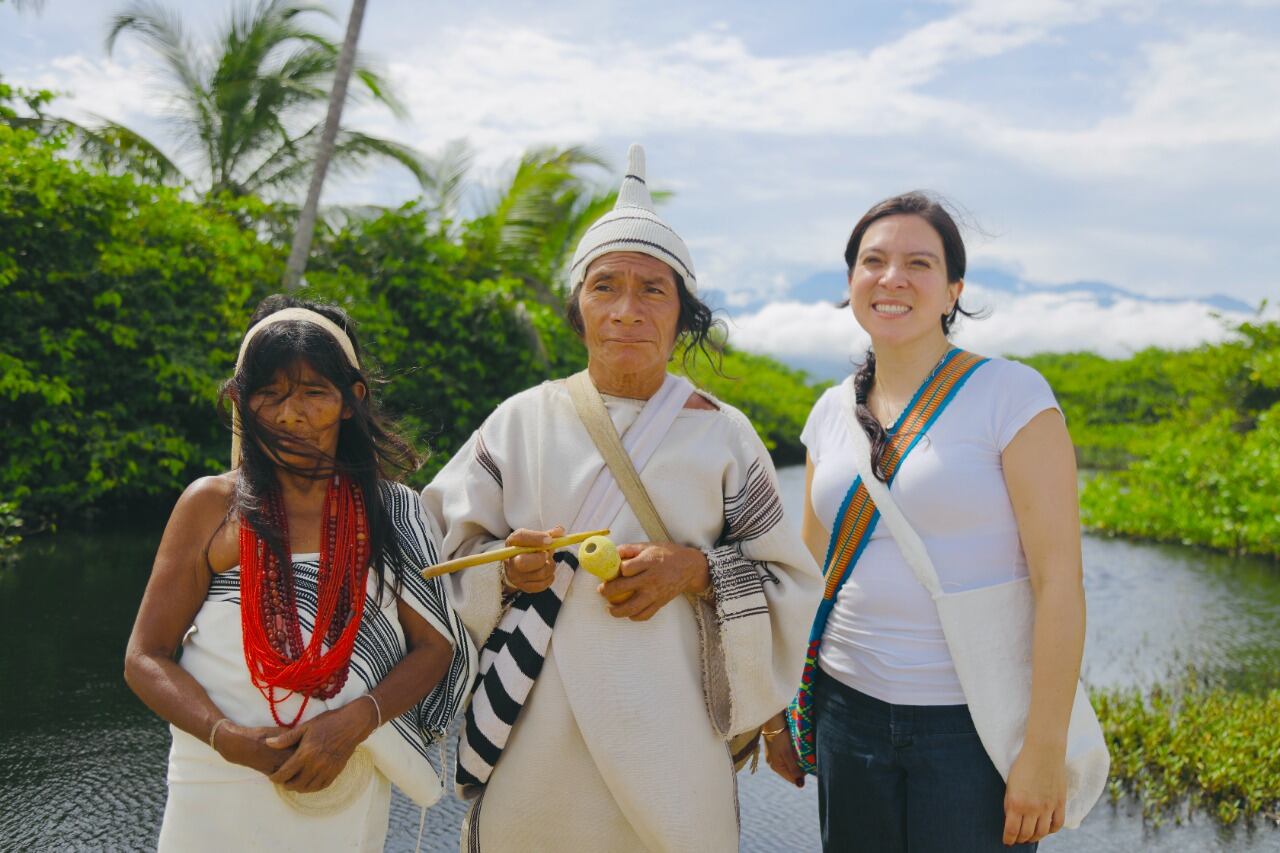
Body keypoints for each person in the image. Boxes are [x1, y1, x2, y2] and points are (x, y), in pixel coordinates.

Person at [423, 144, 823, 852]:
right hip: (534, 741)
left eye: (653, 290)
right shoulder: (519, 422)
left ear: (683, 314)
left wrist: (695, 571)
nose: (627, 310)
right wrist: (506, 569)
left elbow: (792, 583)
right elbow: (435, 554)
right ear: (577, 307)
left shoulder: (725, 436)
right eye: (605, 286)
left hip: (677, 746)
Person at [762, 193, 1086, 852]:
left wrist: (1045, 748)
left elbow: (1060, 581)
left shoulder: (1011, 396)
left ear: (952, 291)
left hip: (973, 727)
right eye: (873, 261)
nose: (893, 278)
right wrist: (779, 709)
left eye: (919, 262)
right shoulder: (829, 411)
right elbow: (806, 572)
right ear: (851, 281)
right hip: (844, 710)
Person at [124, 295, 476, 851]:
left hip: (342, 773)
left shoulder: (392, 511)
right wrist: (227, 738)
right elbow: (145, 658)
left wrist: (354, 723)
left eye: (314, 392)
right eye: (270, 394)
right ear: (243, 402)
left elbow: (434, 648)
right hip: (216, 778)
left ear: (350, 400)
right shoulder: (211, 506)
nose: (292, 414)